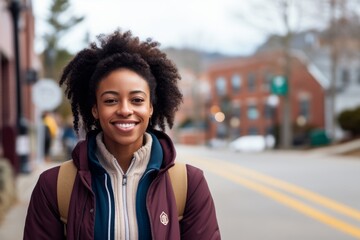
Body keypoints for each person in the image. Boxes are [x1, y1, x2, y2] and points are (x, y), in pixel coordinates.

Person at [24, 30, 220, 239]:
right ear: (95, 109)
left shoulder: (188, 184)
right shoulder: (54, 186)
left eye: (137, 100)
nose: (125, 110)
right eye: (110, 100)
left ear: (151, 107)